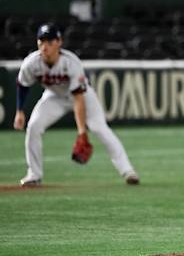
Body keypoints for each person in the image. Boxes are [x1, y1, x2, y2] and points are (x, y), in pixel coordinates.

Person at [13, 23, 140, 186]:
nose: (45, 46)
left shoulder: (71, 62)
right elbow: (23, 85)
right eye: (41, 42)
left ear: (59, 42)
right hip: (54, 96)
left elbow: (78, 99)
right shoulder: (31, 63)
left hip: (83, 96)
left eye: (49, 42)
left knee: (100, 128)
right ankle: (34, 175)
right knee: (34, 126)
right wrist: (19, 110)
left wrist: (82, 132)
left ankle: (128, 171)